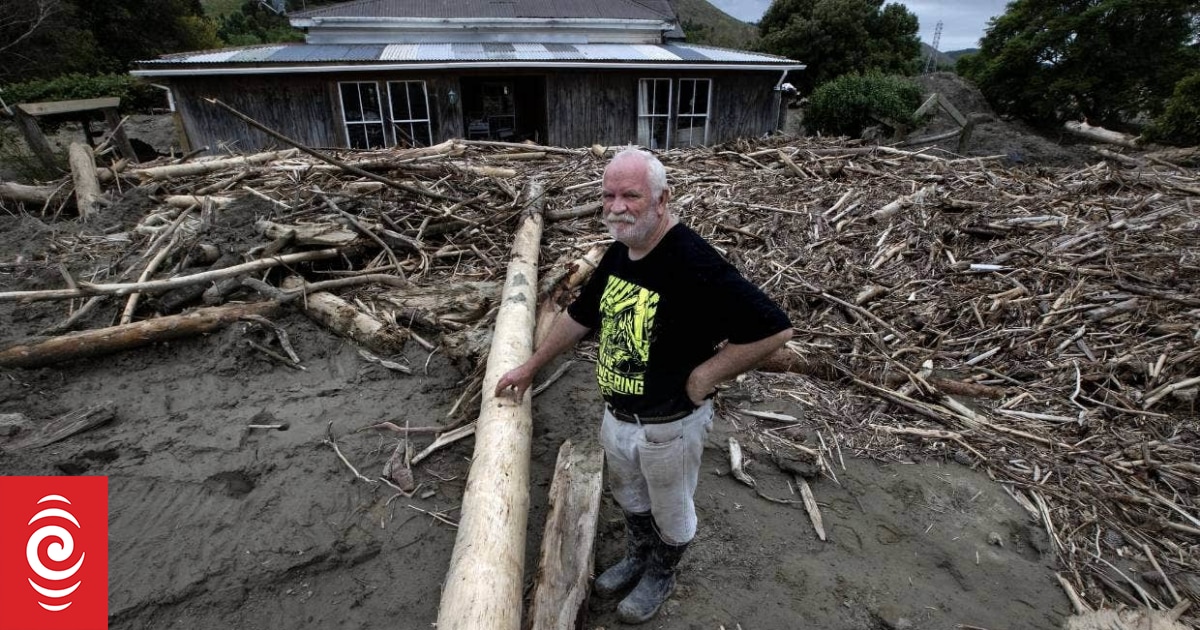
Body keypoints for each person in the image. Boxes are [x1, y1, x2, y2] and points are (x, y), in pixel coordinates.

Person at [495, 147, 792, 624]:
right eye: (609, 195)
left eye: (631, 195)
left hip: (670, 424)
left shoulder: (694, 261)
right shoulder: (621, 252)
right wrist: (530, 366)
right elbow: (578, 317)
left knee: (671, 509)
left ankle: (661, 571)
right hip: (618, 414)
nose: (617, 206)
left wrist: (704, 377)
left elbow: (773, 328)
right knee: (630, 496)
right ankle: (637, 554)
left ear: (661, 199)